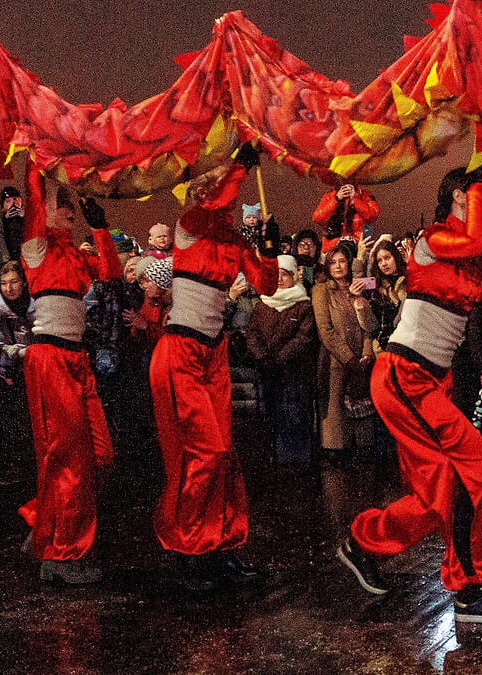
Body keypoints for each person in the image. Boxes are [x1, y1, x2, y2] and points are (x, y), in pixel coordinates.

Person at [335, 166, 482, 625]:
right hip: (403, 375)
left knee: (438, 494)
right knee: (468, 476)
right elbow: (476, 240)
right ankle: (468, 590)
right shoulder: (432, 237)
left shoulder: (480, 253)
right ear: (463, 195)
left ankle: (362, 544)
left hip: (425, 382)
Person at [150, 144, 278, 591]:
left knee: (224, 454)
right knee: (204, 453)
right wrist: (240, 166)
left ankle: (221, 545)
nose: (216, 200)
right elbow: (219, 201)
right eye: (211, 192)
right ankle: (189, 547)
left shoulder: (233, 241)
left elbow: (267, 284)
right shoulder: (189, 227)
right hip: (181, 351)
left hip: (214, 354)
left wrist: (268, 248)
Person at [16, 163, 123, 585]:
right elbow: (34, 196)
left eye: (72, 208)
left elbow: (111, 273)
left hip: (78, 359)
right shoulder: (35, 248)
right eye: (63, 206)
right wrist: (39, 161)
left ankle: (45, 523)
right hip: (50, 359)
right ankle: (61, 555)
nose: (71, 211)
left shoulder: (75, 255)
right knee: (67, 455)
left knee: (100, 454)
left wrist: (101, 229)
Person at [246, 254, 316, 466]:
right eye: (275, 275)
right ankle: (276, 460)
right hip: (268, 373)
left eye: (285, 275)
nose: (279, 279)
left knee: (296, 416)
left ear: (294, 277)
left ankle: (298, 462)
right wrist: (262, 358)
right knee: (272, 416)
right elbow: (252, 334)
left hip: (294, 372)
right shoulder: (262, 305)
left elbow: (304, 336)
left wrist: (280, 358)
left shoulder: (302, 305)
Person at [312, 240, 378, 458]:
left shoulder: (357, 288)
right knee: (336, 422)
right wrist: (349, 359)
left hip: (362, 360)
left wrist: (367, 354)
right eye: (333, 263)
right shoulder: (322, 291)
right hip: (336, 362)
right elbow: (326, 330)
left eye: (342, 261)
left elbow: (368, 327)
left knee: (363, 422)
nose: (338, 266)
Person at [366, 236, 407, 351]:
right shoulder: (376, 285)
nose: (384, 264)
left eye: (387, 258)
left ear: (396, 257)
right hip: (383, 345)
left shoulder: (409, 281)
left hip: (407, 345)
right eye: (380, 260)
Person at [312, 184, 380, 252]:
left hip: (358, 247)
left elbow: (373, 215)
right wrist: (336, 199)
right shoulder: (329, 196)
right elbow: (318, 218)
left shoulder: (364, 195)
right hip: (332, 249)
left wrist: (355, 200)